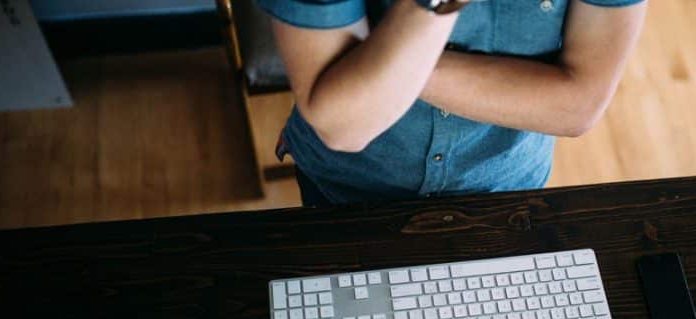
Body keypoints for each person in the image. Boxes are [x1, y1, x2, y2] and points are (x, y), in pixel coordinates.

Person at [258, 0, 647, 207]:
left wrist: (381, 71)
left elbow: (578, 105)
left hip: (506, 186)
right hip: (348, 189)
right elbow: (346, 126)